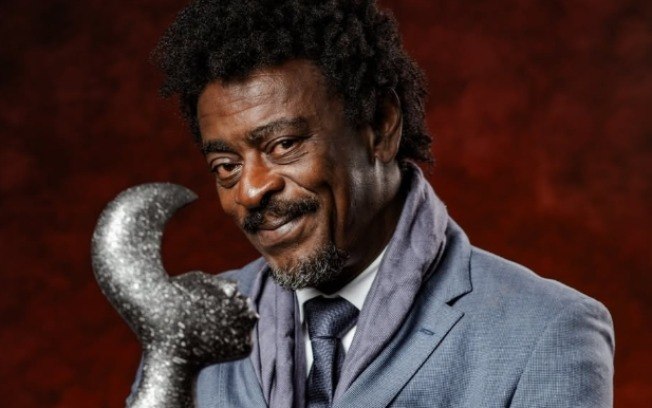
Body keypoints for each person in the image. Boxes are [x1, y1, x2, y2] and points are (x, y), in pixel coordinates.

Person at [133, 0, 615, 406]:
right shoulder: (186, 325)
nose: (251, 190)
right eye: (226, 165)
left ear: (381, 126)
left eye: (284, 145)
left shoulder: (547, 331)